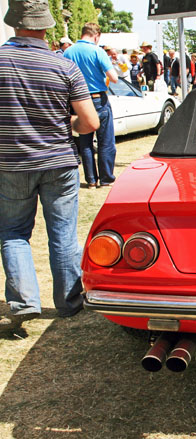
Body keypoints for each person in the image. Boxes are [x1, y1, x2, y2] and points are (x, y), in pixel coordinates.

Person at [0, 0, 100, 332]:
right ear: (47, 26)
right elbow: (90, 122)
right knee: (63, 234)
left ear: (14, 23)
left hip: (11, 163)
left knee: (13, 233)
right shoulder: (64, 66)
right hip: (59, 161)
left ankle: (24, 301)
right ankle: (70, 302)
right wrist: (66, 125)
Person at [64, 22, 119, 189]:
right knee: (105, 141)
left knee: (85, 141)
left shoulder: (68, 52)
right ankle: (106, 178)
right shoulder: (97, 51)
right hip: (97, 99)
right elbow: (114, 78)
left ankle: (91, 180)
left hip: (77, 100)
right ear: (96, 36)